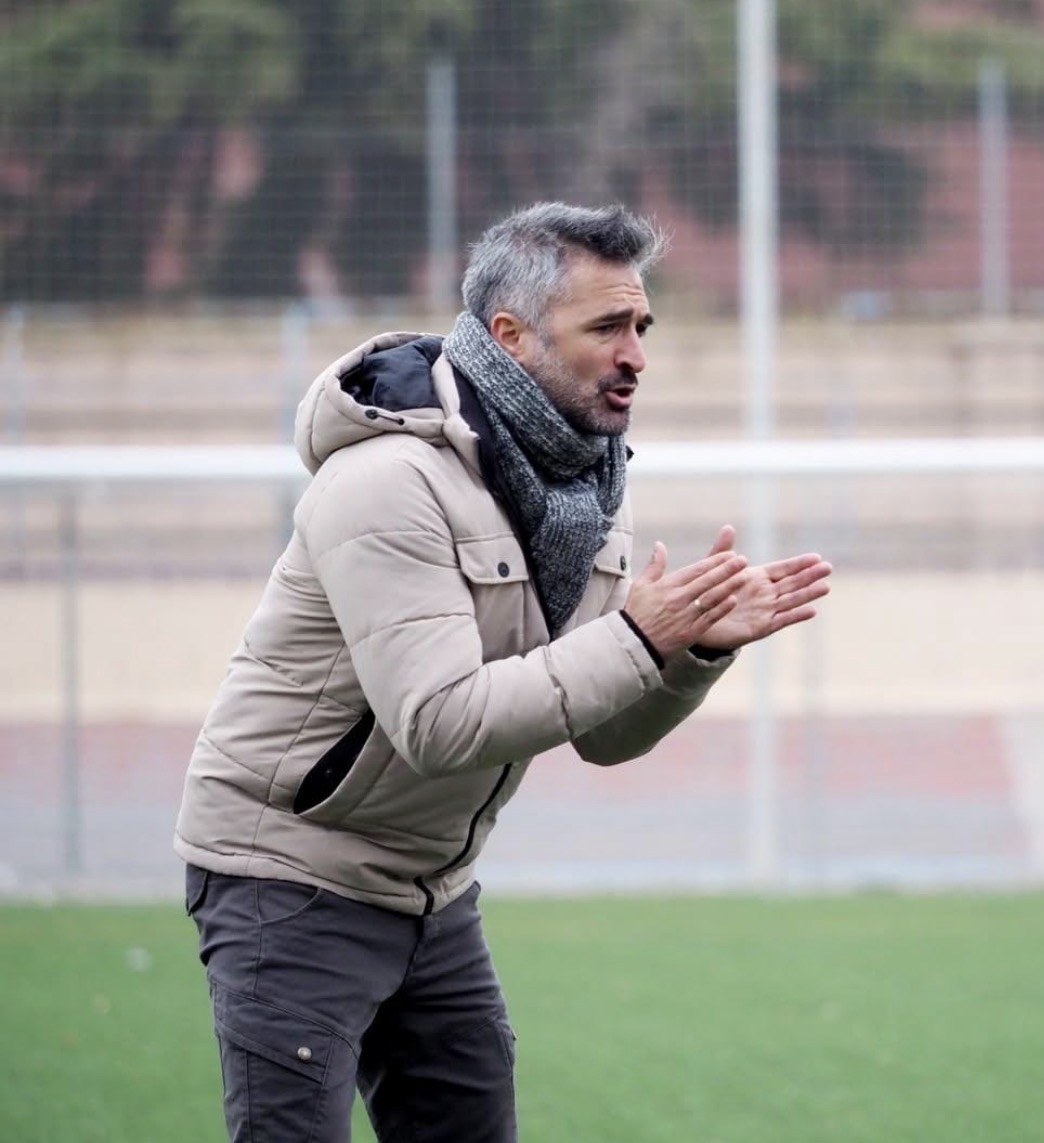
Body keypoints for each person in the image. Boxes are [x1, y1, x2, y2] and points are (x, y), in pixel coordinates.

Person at [175, 201, 831, 1142]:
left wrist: (692, 653)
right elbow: (439, 723)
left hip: (434, 890)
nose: (637, 352)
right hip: (290, 880)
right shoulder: (386, 480)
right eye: (607, 327)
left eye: (642, 325)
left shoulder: (585, 481)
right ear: (510, 337)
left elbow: (600, 733)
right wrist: (640, 640)